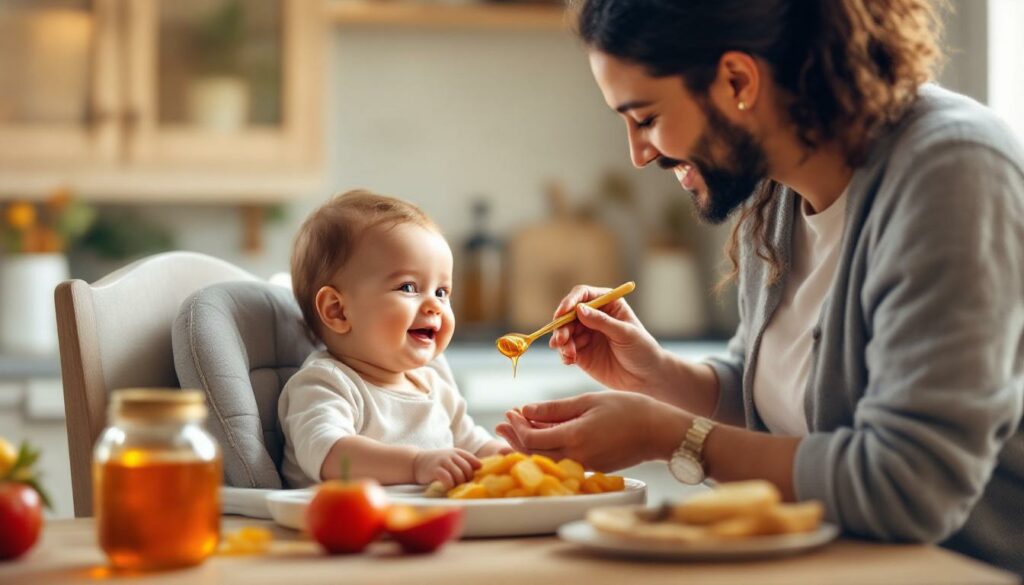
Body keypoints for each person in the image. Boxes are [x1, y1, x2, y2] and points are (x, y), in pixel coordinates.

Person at [496, 0, 1024, 574]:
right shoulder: (774, 194)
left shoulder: (952, 169)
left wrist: (667, 435)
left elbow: (909, 486)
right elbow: (776, 408)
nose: (639, 153)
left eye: (645, 118)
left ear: (736, 80)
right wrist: (658, 378)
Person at [280, 190, 509, 489]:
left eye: (442, 291)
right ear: (337, 310)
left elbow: (472, 445)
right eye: (409, 287)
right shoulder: (326, 383)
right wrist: (416, 464)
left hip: (429, 526)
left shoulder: (434, 378)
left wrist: (508, 457)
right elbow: (329, 453)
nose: (434, 305)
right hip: (347, 529)